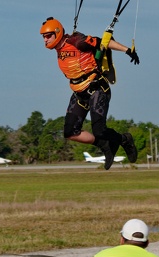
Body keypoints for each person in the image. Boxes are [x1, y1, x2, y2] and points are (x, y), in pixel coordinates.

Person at [40, 17, 139, 169]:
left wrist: (127, 50)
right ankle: (105, 146)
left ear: (58, 33)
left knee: (99, 130)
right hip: (79, 93)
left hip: (97, 88)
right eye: (43, 37)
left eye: (48, 36)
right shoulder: (59, 48)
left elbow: (103, 43)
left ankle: (124, 139)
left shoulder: (77, 41)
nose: (45, 40)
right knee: (70, 131)